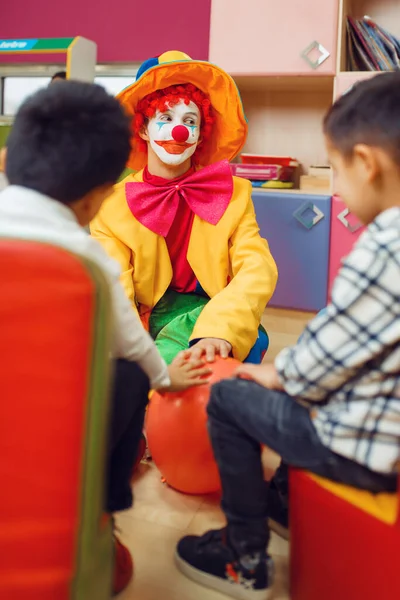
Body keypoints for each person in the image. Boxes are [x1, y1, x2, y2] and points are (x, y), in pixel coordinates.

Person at [175, 72, 400, 600]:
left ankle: (243, 555)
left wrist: (276, 373)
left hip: (369, 451)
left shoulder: (385, 246)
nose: (338, 190)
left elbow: (322, 359)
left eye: (338, 172)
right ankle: (284, 504)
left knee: (234, 397)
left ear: (366, 163)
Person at [0, 80, 210, 595]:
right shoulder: (86, 260)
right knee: (125, 378)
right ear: (97, 198)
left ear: (9, 158)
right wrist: (166, 377)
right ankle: (104, 512)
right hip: (54, 430)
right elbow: (133, 345)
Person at [91, 50, 278, 367]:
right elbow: (113, 286)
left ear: (199, 133)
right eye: (165, 118)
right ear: (143, 129)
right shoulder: (112, 204)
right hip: (144, 318)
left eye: (189, 121)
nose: (179, 131)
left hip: (212, 310)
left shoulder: (233, 194)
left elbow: (256, 268)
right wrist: (130, 351)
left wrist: (220, 329)